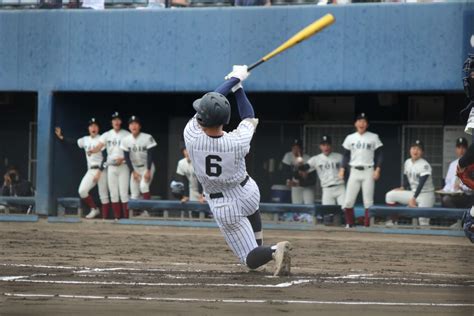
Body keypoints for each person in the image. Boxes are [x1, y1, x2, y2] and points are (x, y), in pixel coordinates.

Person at [183, 65, 291, 276]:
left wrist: (233, 79)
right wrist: (239, 87)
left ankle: (272, 251)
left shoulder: (192, 135)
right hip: (247, 191)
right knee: (252, 213)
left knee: (249, 260)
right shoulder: (237, 141)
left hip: (224, 203)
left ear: (204, 120)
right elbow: (248, 116)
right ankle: (262, 250)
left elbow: (211, 99)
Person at [55, 119, 110, 219]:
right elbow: (73, 142)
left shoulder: (102, 139)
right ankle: (94, 209)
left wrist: (99, 172)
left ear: (98, 128)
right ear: (88, 128)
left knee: (104, 195)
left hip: (101, 170)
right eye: (91, 126)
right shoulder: (85, 139)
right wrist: (61, 137)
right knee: (82, 191)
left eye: (95, 126)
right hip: (91, 170)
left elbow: (106, 157)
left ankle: (105, 219)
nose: (93, 128)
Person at [339, 113, 383, 228]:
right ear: (355, 123)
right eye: (359, 121)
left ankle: (367, 225)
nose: (361, 123)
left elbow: (379, 154)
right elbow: (345, 155)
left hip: (368, 170)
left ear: (367, 124)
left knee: (368, 201)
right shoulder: (350, 137)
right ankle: (350, 223)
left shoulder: (373, 136)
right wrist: (342, 168)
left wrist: (377, 169)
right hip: (354, 171)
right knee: (348, 200)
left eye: (364, 121)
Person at [385, 140, 435, 226]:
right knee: (390, 195)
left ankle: (426, 238)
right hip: (413, 193)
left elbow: (421, 184)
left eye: (418, 149)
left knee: (423, 222)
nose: (415, 151)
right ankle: (392, 221)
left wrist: (413, 199)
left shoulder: (425, 165)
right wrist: (402, 187)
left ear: (422, 152)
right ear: (410, 150)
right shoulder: (407, 162)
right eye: (413, 148)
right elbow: (409, 179)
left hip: (426, 195)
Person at [92, 112, 130, 220]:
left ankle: (126, 218)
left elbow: (131, 151)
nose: (116, 122)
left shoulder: (126, 134)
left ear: (121, 122)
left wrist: (122, 159)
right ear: (112, 122)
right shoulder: (107, 134)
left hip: (123, 166)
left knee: (123, 193)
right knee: (113, 193)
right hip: (111, 167)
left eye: (118, 120)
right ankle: (117, 217)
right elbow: (99, 146)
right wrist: (92, 150)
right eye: (114, 120)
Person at [300, 135, 345, 205]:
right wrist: (299, 163)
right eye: (323, 145)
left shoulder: (339, 156)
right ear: (320, 146)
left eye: (328, 145)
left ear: (331, 146)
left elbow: (347, 170)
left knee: (345, 209)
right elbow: (305, 167)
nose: (326, 147)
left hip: (340, 187)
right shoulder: (316, 159)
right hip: (327, 189)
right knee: (328, 212)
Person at [121, 116, 157, 201]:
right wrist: (133, 172)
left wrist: (148, 170)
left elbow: (150, 155)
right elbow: (127, 158)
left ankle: (146, 212)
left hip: (147, 167)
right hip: (135, 168)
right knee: (134, 193)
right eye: (131, 124)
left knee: (143, 186)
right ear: (129, 127)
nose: (134, 126)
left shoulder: (147, 137)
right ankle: (135, 214)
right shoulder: (126, 140)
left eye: (136, 124)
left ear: (140, 126)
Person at [439, 137, 472, 208]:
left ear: (467, 150)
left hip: (467, 196)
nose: (461, 150)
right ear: (456, 149)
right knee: (444, 198)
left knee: (446, 200)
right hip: (454, 195)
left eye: (463, 148)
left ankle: (459, 218)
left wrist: (462, 186)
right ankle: (457, 218)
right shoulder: (453, 164)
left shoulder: (471, 164)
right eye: (459, 147)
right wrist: (444, 190)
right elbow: (448, 182)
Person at [281, 139, 311, 204]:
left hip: (307, 186)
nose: (295, 150)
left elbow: (308, 176)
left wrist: (300, 163)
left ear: (302, 149)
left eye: (298, 148)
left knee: (308, 204)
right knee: (296, 205)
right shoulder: (288, 156)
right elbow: (285, 172)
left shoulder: (307, 158)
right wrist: (289, 179)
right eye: (294, 148)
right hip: (295, 184)